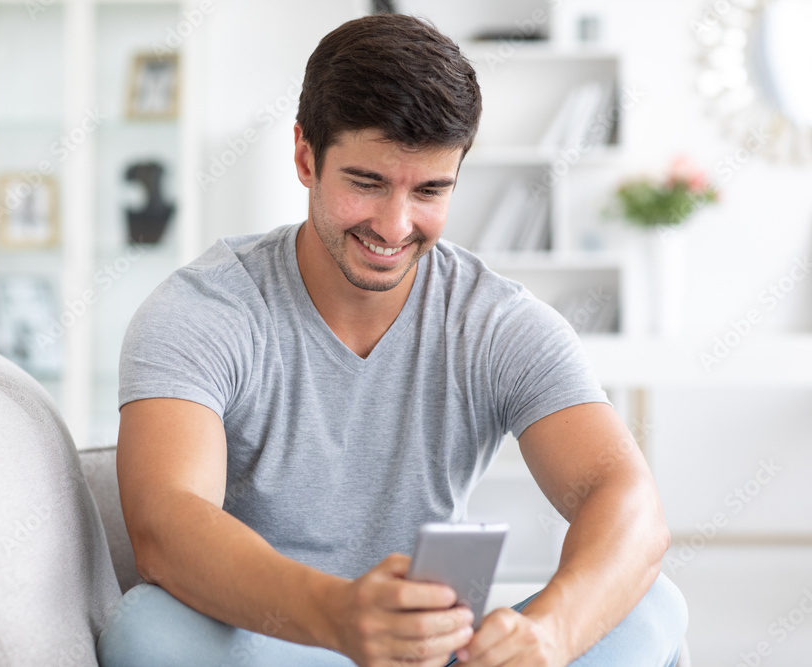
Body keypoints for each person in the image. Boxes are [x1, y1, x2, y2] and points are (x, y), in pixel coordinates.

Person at [97, 13, 687, 667]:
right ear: (305, 157)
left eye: (430, 190)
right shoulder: (203, 309)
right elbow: (164, 524)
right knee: (146, 626)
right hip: (278, 645)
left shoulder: (496, 320)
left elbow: (626, 496)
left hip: (435, 655)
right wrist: (341, 616)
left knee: (652, 604)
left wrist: (551, 633)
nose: (394, 224)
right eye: (368, 183)